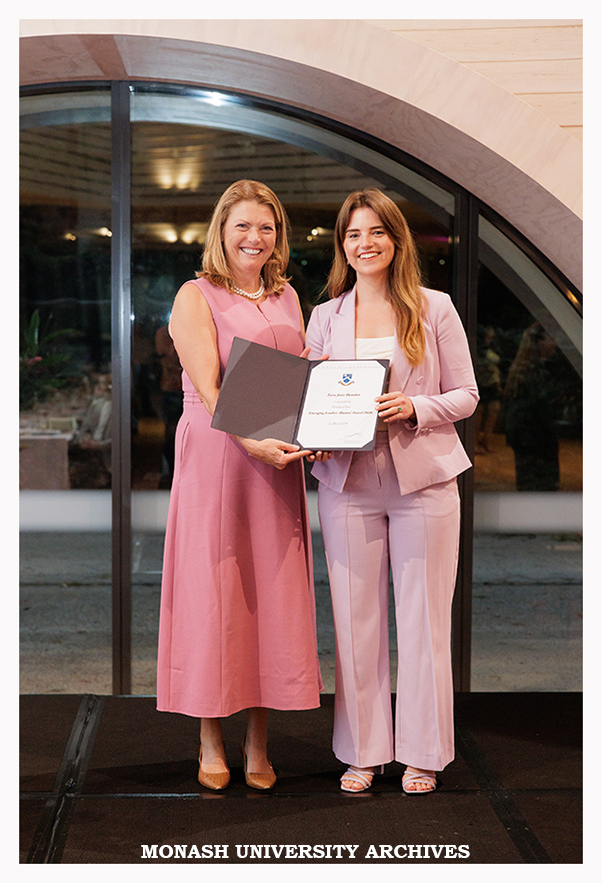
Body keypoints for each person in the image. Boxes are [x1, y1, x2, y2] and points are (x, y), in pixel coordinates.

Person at [305, 189, 479, 794]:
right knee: (354, 621)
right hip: (347, 484)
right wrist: (315, 431)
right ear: (342, 246)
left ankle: (424, 753)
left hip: (424, 484)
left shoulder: (434, 308)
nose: (366, 243)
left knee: (425, 619)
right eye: (354, 234)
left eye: (377, 231)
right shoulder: (325, 316)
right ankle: (364, 751)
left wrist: (414, 406)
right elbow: (312, 400)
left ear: (396, 240)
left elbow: (467, 395)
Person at [157, 180, 325, 791]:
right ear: (221, 232)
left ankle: (258, 739)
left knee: (270, 595)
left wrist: (325, 418)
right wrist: (251, 437)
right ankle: (208, 736)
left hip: (276, 460)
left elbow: (298, 378)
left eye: (267, 227)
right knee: (215, 591)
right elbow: (209, 388)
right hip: (218, 457)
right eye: (243, 226)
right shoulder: (194, 295)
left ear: (277, 236)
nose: (255, 238)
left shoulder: (285, 295)